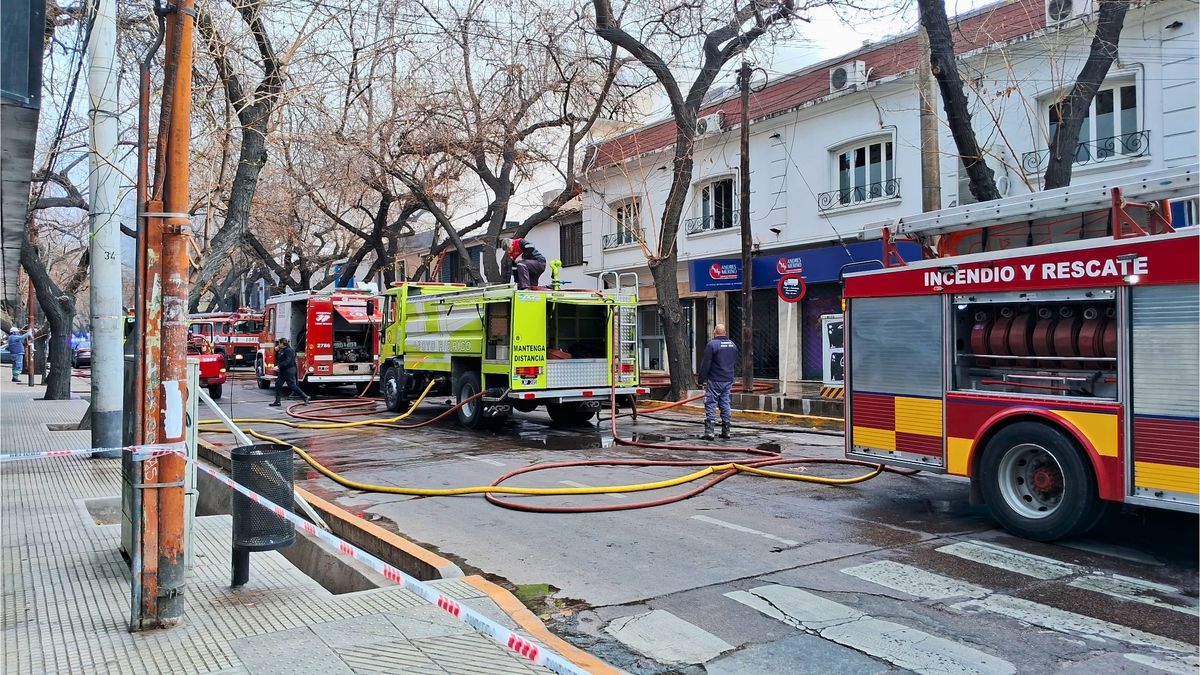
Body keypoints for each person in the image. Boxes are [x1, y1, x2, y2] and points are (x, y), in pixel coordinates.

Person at [697, 323, 739, 440]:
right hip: (728, 379)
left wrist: (701, 380)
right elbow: (734, 362)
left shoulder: (712, 345)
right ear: (725, 333)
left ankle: (709, 431)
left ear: (714, 333)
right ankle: (726, 431)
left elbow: (706, 364)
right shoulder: (732, 345)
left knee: (711, 402)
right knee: (725, 402)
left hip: (715, 379)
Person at [270, 337, 310, 406]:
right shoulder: (282, 350)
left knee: (292, 385)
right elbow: (279, 359)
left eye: (279, 343)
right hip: (282, 371)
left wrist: (278, 366)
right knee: (278, 385)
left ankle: (305, 396)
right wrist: (276, 351)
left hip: (289, 370)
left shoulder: (289, 350)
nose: (278, 344)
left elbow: (287, 361)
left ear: (282, 343)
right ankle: (277, 401)